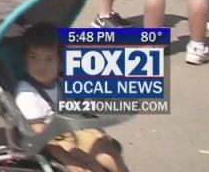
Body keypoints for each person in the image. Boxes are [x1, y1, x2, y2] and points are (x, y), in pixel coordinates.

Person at [15, 22, 130, 172]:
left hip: (71, 128)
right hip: (53, 140)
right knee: (87, 164)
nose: (40, 66)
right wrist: (68, 160)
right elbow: (40, 134)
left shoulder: (60, 82)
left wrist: (97, 130)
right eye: (33, 57)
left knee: (107, 151)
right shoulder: (27, 94)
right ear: (25, 59)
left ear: (60, 62)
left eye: (49, 59)